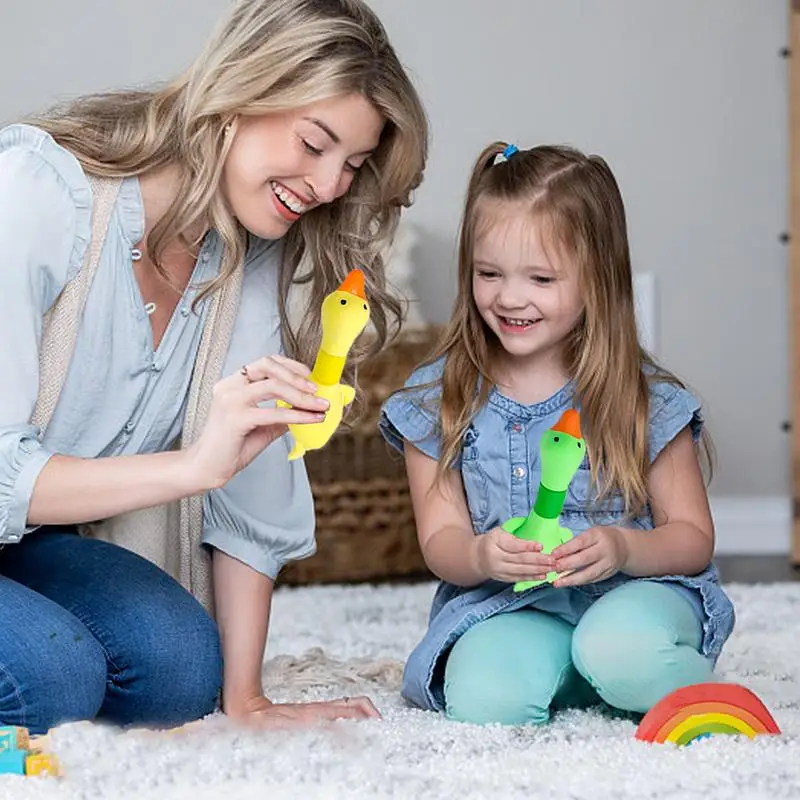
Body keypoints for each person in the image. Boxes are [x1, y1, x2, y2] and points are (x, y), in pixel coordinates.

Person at [0, 0, 428, 735]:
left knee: (180, 670)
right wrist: (194, 466)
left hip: (28, 540)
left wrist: (248, 700)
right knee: (53, 677)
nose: (328, 186)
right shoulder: (36, 193)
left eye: (351, 165)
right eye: (314, 143)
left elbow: (255, 487)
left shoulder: (245, 250)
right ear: (240, 93)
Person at [379, 141, 734, 726]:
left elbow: (692, 538)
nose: (509, 298)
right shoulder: (437, 399)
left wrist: (624, 547)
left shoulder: (642, 396)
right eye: (488, 273)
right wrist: (480, 554)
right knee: (483, 699)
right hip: (515, 607)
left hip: (634, 597)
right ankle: (584, 677)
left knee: (619, 649)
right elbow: (442, 540)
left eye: (540, 278)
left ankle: (631, 671)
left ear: (597, 278)